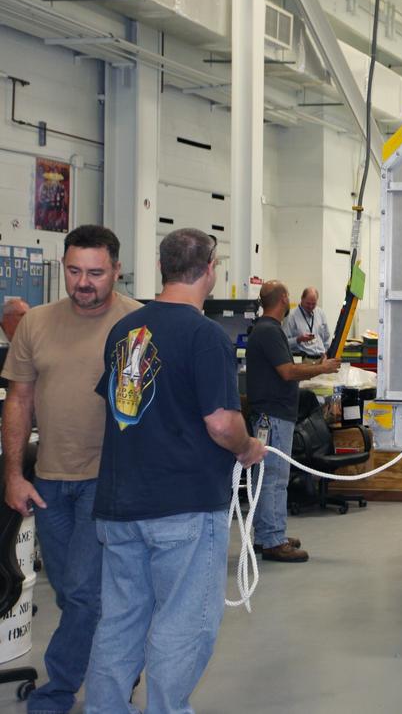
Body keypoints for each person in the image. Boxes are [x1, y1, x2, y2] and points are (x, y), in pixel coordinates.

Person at [84, 228, 267, 711]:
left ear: (162, 268)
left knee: (120, 622)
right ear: (210, 270)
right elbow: (221, 422)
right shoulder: (205, 336)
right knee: (183, 625)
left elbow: (123, 406)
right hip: (183, 509)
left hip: (120, 507)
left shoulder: (127, 329)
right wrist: (248, 447)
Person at [1, 226, 141, 714]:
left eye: (96, 273)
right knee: (69, 590)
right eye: (74, 271)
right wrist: (14, 475)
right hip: (51, 483)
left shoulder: (138, 323)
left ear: (116, 270)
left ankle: (59, 689)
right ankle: (119, 663)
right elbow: (18, 401)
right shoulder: (36, 323)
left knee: (82, 592)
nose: (83, 283)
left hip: (109, 481)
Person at [247, 280, 339, 563]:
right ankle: (273, 540)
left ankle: (268, 535)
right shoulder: (269, 331)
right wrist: (320, 368)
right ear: (284, 300)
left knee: (267, 477)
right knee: (274, 477)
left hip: (270, 414)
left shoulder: (267, 330)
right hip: (273, 416)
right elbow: (287, 372)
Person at [283, 286, 331, 360]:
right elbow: (283, 343)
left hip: (321, 359)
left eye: (314, 304)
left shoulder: (320, 313)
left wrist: (326, 353)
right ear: (302, 298)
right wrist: (298, 339)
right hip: (302, 360)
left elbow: (326, 337)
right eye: (308, 303)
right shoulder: (290, 316)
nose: (311, 306)